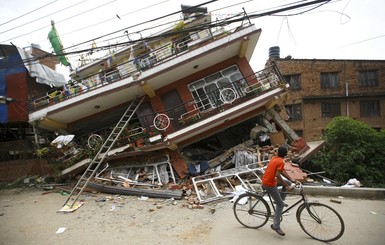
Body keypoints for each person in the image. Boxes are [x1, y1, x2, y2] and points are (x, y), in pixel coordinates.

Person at [262, 146, 295, 236]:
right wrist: (287, 187)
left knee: (287, 182)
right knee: (280, 205)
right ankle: (276, 226)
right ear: (285, 154)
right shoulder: (281, 161)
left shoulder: (275, 158)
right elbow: (278, 175)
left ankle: (280, 200)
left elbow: (282, 171)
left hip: (266, 181)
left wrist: (291, 179)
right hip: (269, 184)